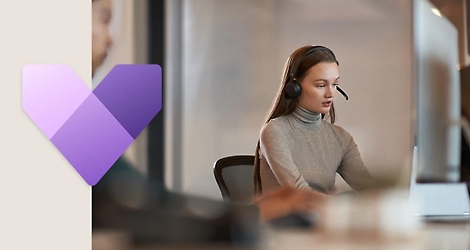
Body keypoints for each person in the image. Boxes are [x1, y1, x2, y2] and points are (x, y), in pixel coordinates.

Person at [90, 0, 325, 246]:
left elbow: (149, 199)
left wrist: (248, 211)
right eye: (103, 18)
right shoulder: (55, 99)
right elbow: (131, 206)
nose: (110, 39)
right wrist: (246, 216)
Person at [254, 45, 375, 196]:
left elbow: (370, 190)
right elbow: (301, 195)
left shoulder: (341, 138)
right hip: (286, 218)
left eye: (335, 84)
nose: (330, 93)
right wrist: (342, 208)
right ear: (295, 86)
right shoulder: (275, 131)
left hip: (324, 217)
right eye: (321, 85)